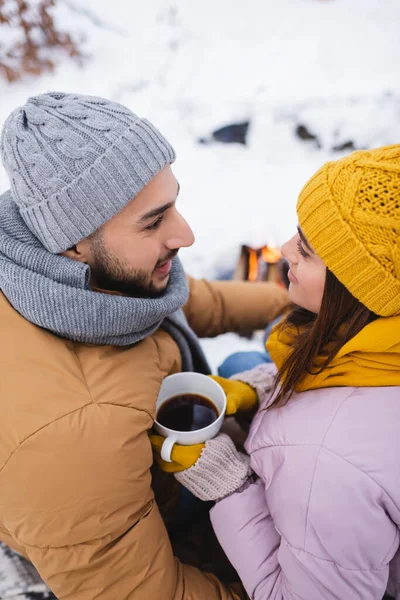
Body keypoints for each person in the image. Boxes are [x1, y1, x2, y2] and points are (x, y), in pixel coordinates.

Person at [0, 92, 289, 599]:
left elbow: (194, 299)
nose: (187, 235)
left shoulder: (97, 270)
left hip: (153, 463)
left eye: (173, 203)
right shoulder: (74, 430)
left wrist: (293, 303)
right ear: (73, 242)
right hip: (132, 509)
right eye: (155, 222)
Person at [153, 145, 400, 600]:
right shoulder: (377, 338)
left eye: (305, 250)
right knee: (242, 365)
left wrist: (231, 488)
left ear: (357, 291)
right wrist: (272, 386)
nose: (285, 250)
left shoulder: (325, 461)